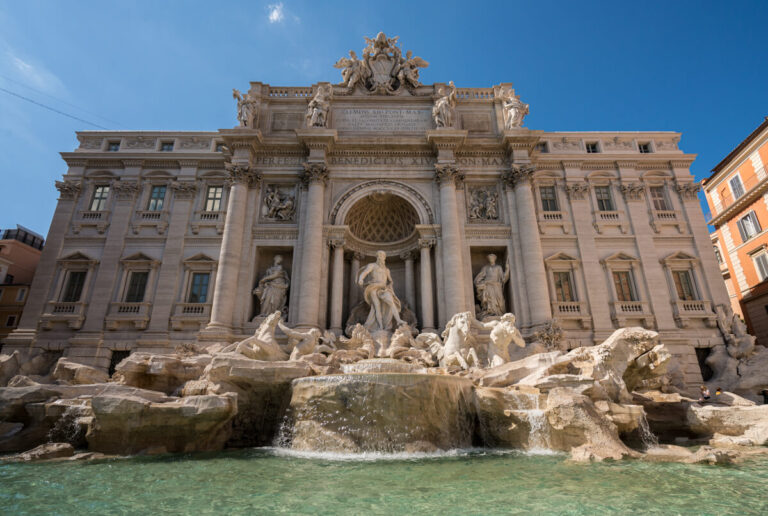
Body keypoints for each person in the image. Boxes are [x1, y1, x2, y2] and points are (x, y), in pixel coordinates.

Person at [357, 250, 406, 332]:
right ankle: (380, 327)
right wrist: (361, 279)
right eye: (380, 255)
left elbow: (390, 280)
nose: (382, 257)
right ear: (377, 257)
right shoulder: (372, 265)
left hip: (384, 288)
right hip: (373, 287)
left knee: (391, 302)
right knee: (377, 307)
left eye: (383, 256)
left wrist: (390, 285)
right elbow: (365, 272)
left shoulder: (387, 270)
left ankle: (398, 320)